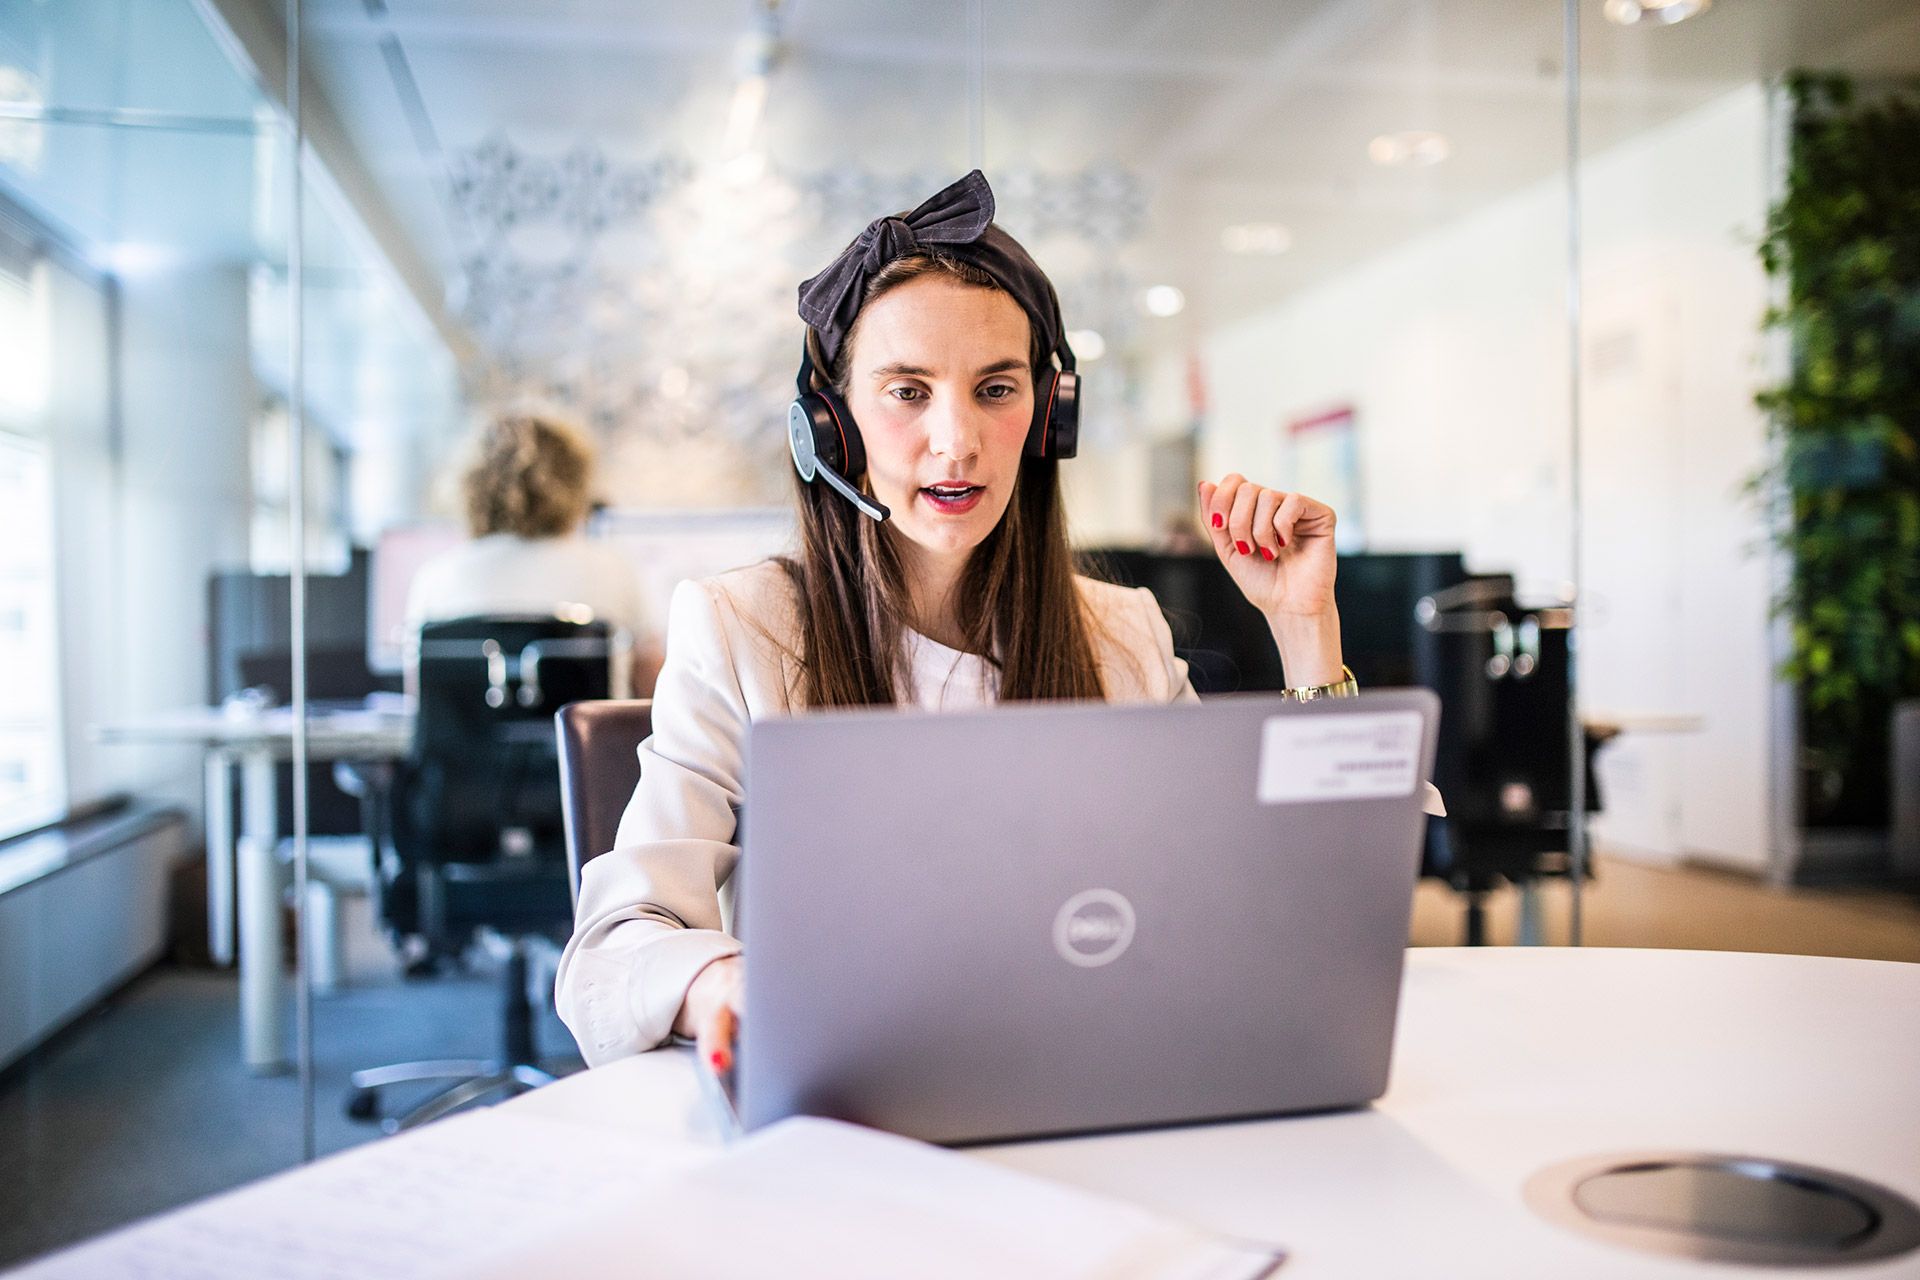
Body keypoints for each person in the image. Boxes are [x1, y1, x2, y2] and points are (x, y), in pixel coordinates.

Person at [556, 170, 1403, 1075]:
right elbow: (613, 949)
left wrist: (1304, 630)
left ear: (1047, 419)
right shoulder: (740, 629)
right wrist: (721, 985)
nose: (955, 439)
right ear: (831, 424)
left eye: (996, 389)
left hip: (1080, 1086)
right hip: (855, 1107)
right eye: (907, 391)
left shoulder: (1123, 634)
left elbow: (1293, 914)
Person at [405, 412, 662, 696]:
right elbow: (653, 692)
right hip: (576, 740)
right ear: (574, 482)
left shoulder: (436, 578)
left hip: (459, 743)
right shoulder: (613, 571)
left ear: (471, 487)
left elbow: (421, 701)